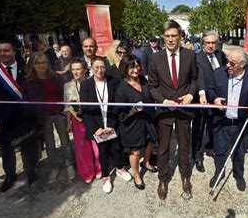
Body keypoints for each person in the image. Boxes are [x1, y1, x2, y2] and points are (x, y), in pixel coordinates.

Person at [148, 20, 197, 200]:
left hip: (184, 109)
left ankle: (185, 176)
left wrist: (191, 96)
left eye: (174, 36)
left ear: (180, 36)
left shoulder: (190, 55)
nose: (170, 39)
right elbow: (152, 86)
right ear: (163, 37)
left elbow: (194, 80)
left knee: (184, 145)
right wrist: (163, 100)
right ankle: (163, 179)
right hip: (164, 110)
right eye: (167, 36)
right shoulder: (155, 58)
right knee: (163, 147)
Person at [0, 40, 38, 191]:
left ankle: (31, 172)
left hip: (25, 116)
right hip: (2, 119)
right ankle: (10, 175)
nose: (2, 54)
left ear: (14, 51)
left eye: (6, 50)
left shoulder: (27, 67)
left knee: (28, 146)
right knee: (6, 150)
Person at [207, 49, 248, 192]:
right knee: (220, 150)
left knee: (239, 151)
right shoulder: (219, 73)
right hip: (222, 119)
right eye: (227, 60)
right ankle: (219, 173)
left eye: (232, 62)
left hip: (241, 120)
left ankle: (239, 175)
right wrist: (214, 98)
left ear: (243, 64)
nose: (228, 65)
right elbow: (210, 90)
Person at [80, 56, 131, 193]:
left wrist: (111, 124)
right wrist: (95, 129)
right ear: (91, 67)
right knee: (102, 152)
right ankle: (106, 176)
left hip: (111, 122)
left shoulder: (113, 81)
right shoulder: (85, 85)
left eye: (102, 66)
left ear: (106, 67)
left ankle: (120, 168)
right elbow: (85, 110)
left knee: (116, 148)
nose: (99, 70)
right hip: (97, 126)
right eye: (96, 67)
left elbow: (117, 103)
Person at [22, 51, 76, 183]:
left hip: (58, 114)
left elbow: (64, 95)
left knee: (65, 142)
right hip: (43, 117)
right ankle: (55, 167)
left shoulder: (56, 77)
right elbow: (27, 103)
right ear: (32, 64)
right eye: (38, 63)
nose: (41, 65)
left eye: (44, 62)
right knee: (50, 144)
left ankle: (69, 165)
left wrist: (65, 111)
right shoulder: (28, 82)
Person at [114, 55, 158, 190]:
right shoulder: (122, 88)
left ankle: (146, 162)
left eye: (137, 65)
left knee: (150, 142)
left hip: (147, 120)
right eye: (132, 66)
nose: (136, 69)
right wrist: (133, 109)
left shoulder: (143, 79)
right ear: (125, 68)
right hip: (132, 125)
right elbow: (121, 113)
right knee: (136, 151)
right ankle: (137, 175)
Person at [192, 31, 226, 172]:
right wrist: (202, 93)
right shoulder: (196, 57)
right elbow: (197, 77)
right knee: (199, 129)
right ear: (202, 44)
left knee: (215, 125)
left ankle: (211, 147)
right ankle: (197, 156)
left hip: (217, 99)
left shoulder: (221, 55)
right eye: (208, 43)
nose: (211, 46)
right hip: (202, 99)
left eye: (213, 43)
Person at [64, 58, 101, 184]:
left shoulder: (94, 82)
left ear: (85, 70)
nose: (75, 72)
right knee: (82, 147)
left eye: (78, 69)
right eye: (73, 69)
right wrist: (68, 122)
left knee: (96, 144)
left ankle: (100, 168)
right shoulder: (67, 86)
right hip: (77, 120)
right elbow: (68, 106)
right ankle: (87, 172)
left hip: (93, 117)